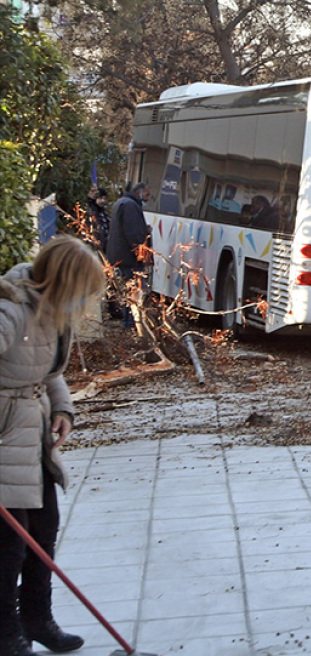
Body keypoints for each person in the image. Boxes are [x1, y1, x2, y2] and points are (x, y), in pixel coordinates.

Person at [0, 235, 104, 656]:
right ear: (64, 282)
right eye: (83, 290)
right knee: (8, 550)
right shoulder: (8, 311)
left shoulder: (50, 312)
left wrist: (63, 410)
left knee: (43, 536)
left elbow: (49, 370)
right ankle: (6, 634)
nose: (85, 301)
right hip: (5, 441)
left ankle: (38, 619)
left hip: (34, 439)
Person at [105, 183, 153, 328]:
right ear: (138, 193)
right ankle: (132, 322)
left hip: (120, 255)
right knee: (134, 291)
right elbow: (134, 234)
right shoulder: (130, 206)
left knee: (128, 290)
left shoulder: (121, 203)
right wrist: (143, 254)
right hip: (129, 258)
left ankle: (129, 321)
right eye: (147, 195)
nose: (148, 199)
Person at [84, 188, 111, 253]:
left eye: (104, 199)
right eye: (100, 198)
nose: (103, 201)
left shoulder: (104, 213)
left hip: (104, 247)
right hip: (93, 247)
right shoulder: (91, 212)